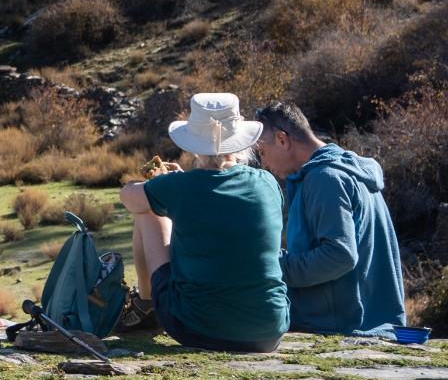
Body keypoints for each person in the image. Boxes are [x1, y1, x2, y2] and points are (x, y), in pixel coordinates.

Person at [118, 92, 288, 353]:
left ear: (193, 143)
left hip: (196, 328)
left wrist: (158, 184)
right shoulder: (266, 182)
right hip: (268, 330)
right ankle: (146, 303)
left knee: (147, 211)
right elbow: (218, 201)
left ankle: (145, 303)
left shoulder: (179, 187)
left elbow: (129, 198)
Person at [253, 101, 406, 334]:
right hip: (369, 320)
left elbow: (340, 255)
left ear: (282, 139)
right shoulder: (346, 169)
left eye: (262, 152)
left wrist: (272, 266)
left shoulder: (325, 178)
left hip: (345, 327)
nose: (263, 163)